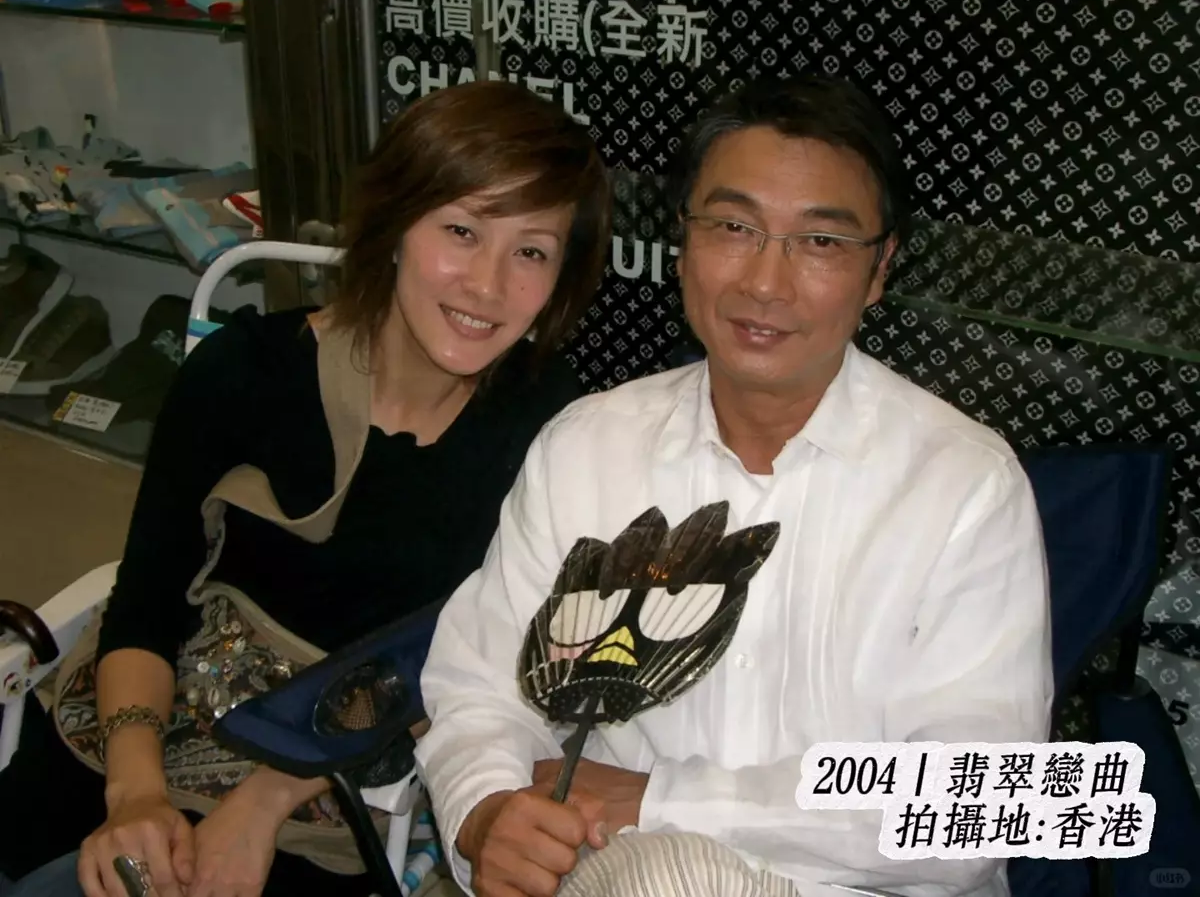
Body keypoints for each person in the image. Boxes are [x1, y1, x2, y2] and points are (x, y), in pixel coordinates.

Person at [413, 74, 1053, 897]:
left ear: (880, 269)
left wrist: (663, 801)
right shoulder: (587, 448)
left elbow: (975, 803)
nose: (765, 284)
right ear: (682, 242)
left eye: (820, 242)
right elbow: (482, 687)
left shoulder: (964, 487)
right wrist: (488, 811)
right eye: (734, 227)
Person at [0, 80, 610, 897]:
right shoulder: (244, 374)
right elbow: (146, 601)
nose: (488, 285)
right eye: (461, 231)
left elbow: (475, 659)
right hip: (129, 741)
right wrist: (136, 795)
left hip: (324, 789)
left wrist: (264, 800)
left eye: (531, 251)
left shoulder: (550, 430)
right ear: (394, 225)